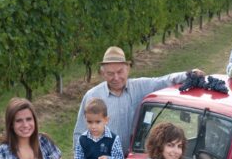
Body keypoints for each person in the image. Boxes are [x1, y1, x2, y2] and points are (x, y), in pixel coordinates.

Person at [74, 46, 204, 150]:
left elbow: (163, 81)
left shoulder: (140, 87)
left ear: (128, 69)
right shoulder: (92, 96)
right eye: (110, 73)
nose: (116, 77)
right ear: (103, 73)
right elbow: (79, 133)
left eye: (120, 72)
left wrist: (188, 75)